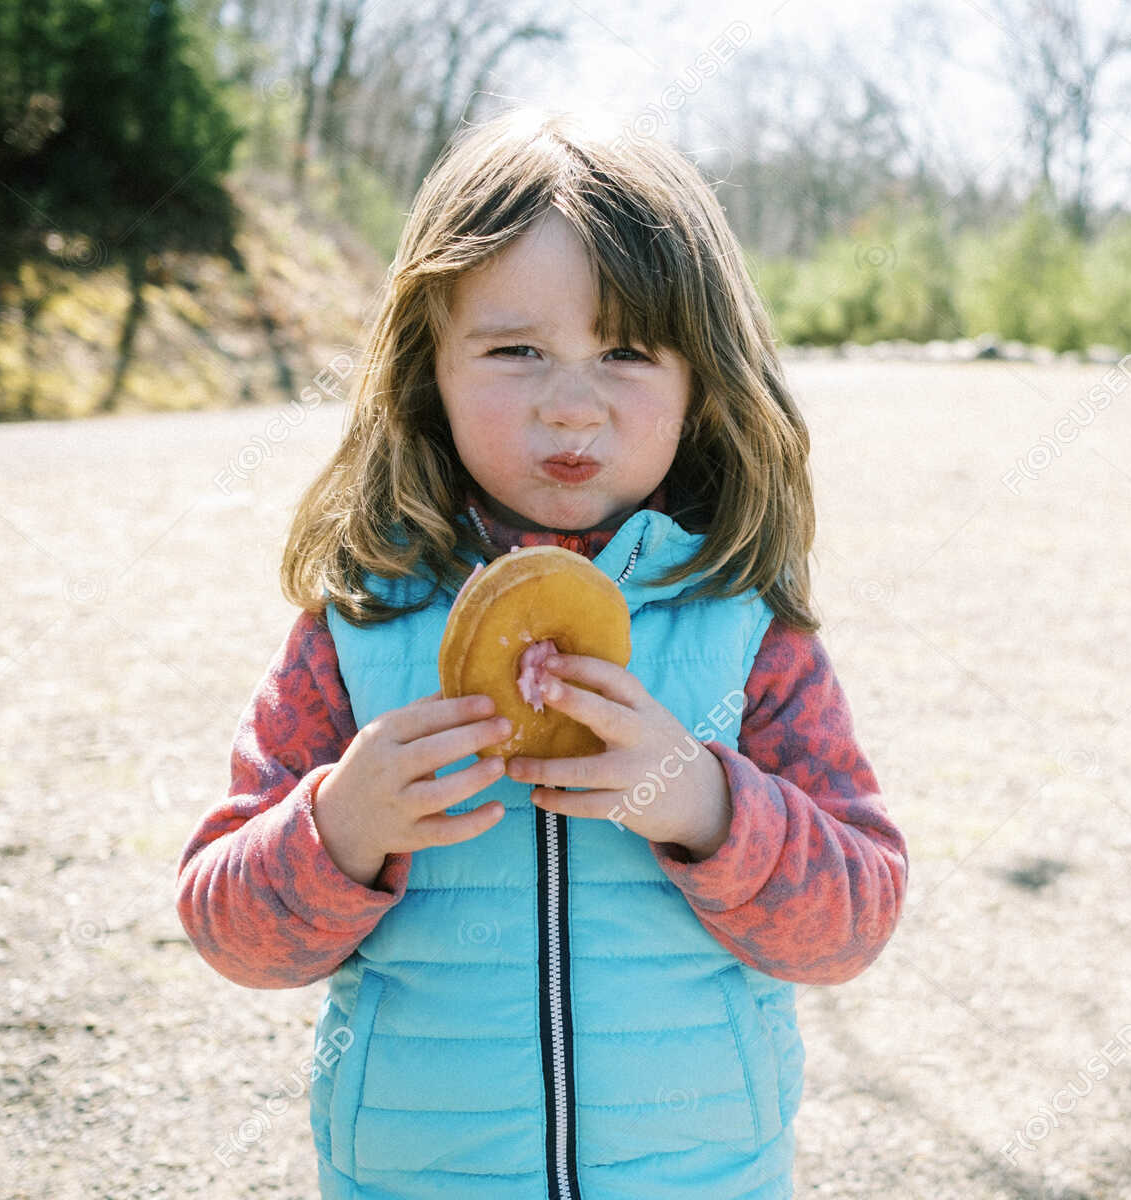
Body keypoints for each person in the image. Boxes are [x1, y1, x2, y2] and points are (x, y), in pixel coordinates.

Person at [174, 105, 908, 1199]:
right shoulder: (360, 622)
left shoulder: (744, 625)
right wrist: (341, 827)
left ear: (703, 377)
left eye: (625, 352)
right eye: (516, 351)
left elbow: (852, 926)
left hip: (701, 1177)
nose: (572, 407)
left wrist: (708, 806)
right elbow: (233, 936)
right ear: (430, 366)